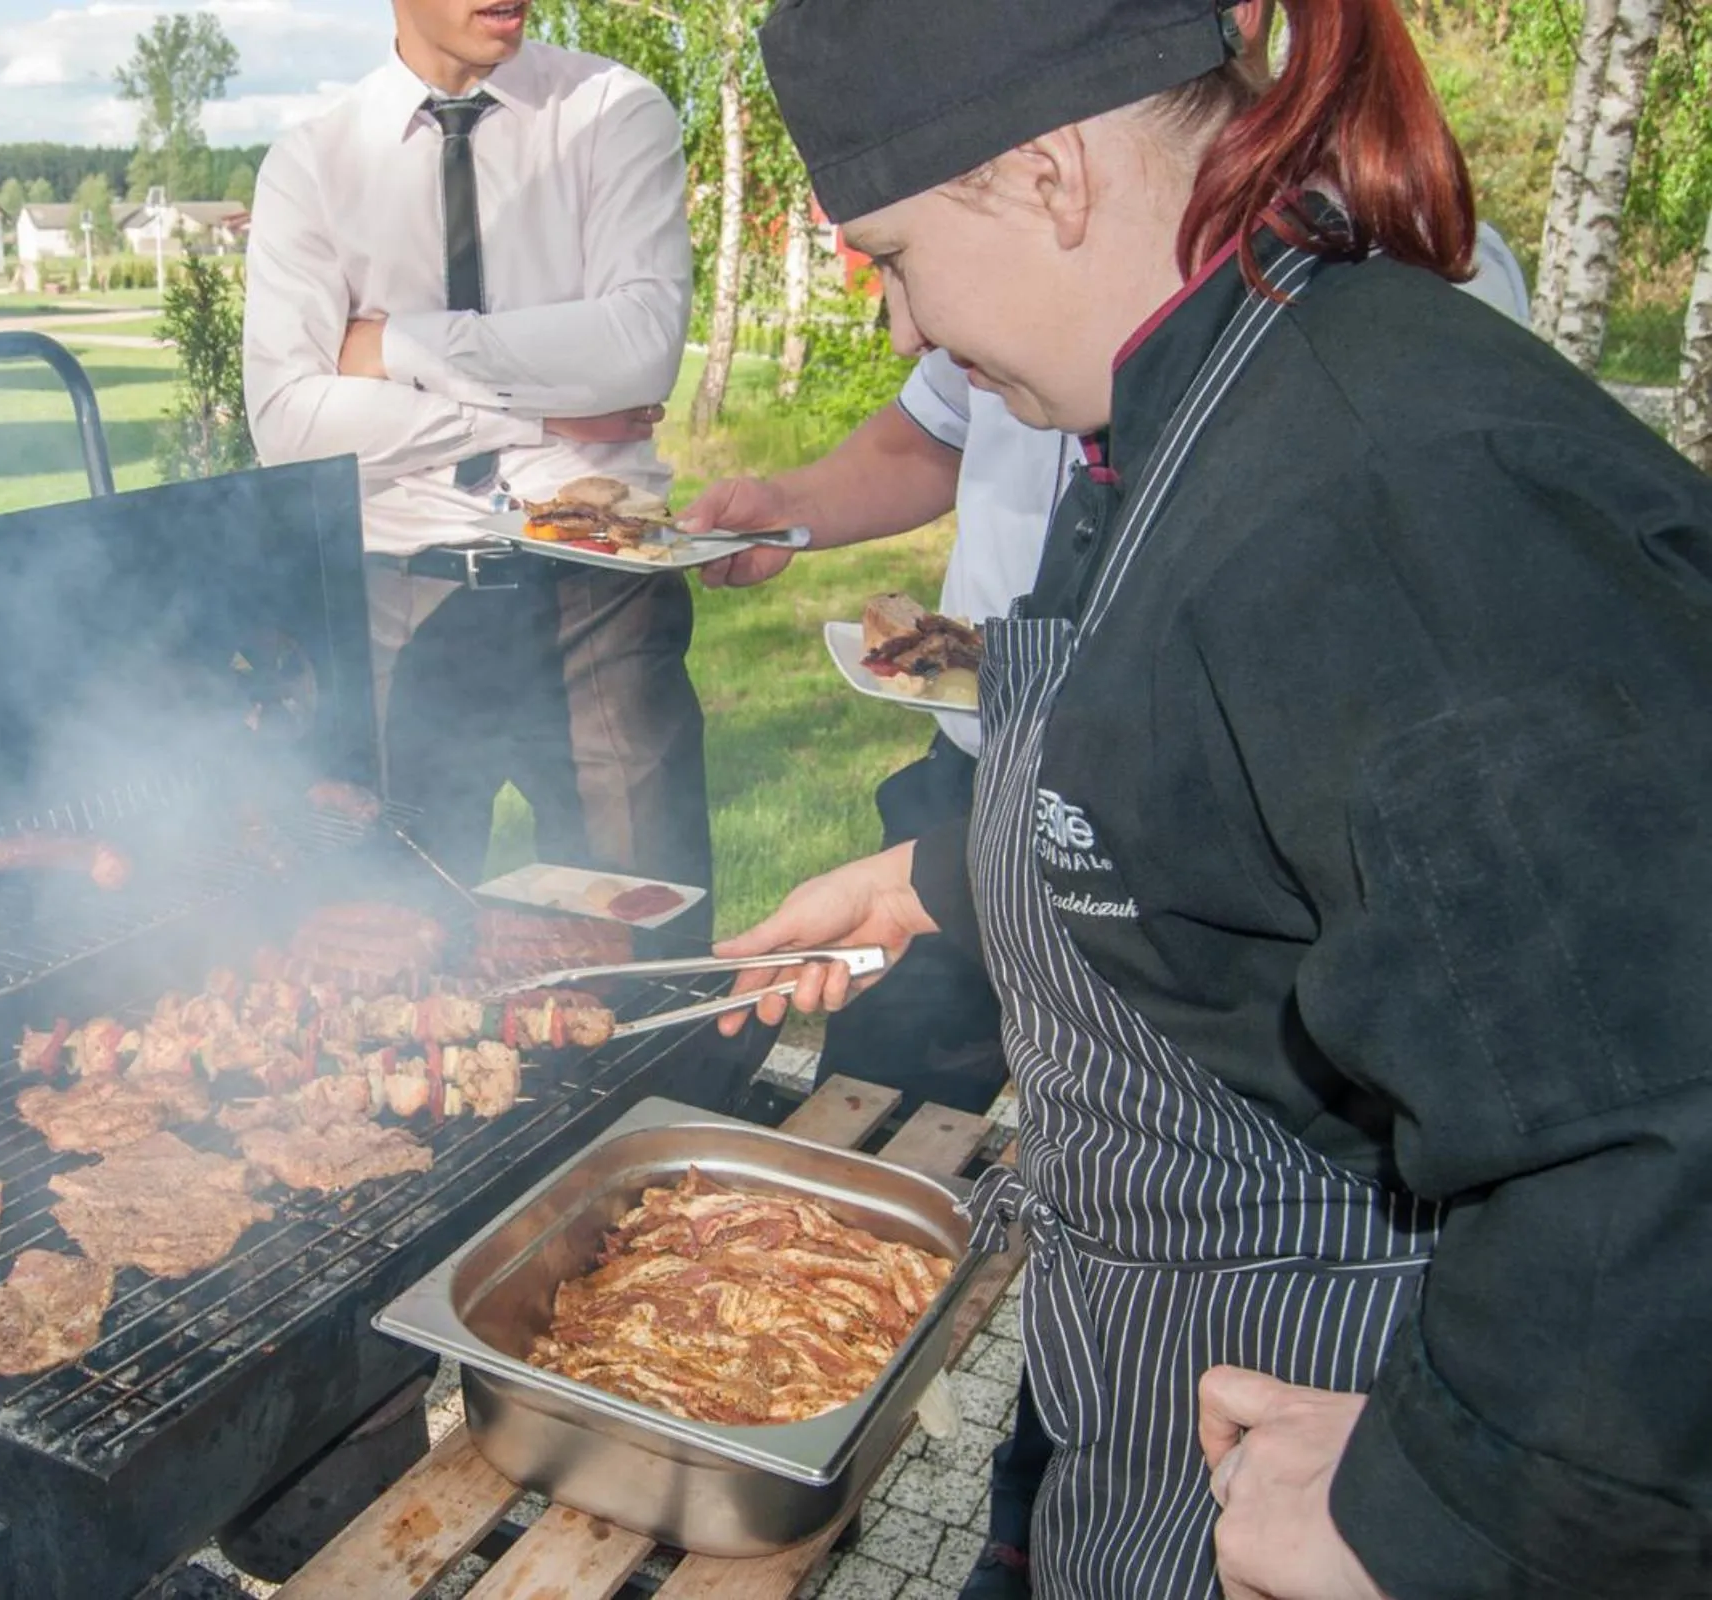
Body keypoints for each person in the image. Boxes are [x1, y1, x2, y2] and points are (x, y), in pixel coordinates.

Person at [720, 1, 1712, 1596]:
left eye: (896, 256)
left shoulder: (1390, 495)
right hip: (1151, 1426)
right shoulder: (1205, 393)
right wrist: (944, 878)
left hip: (1306, 1424)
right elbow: (1238, 800)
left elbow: (1659, 1107)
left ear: (1044, 174)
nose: (904, 328)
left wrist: (1443, 1512)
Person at [244, 0, 712, 939]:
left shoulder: (612, 112)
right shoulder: (313, 161)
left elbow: (639, 351)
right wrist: (534, 408)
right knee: (389, 935)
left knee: (639, 928)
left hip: (599, 593)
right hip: (395, 600)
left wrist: (394, 345)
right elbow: (289, 424)